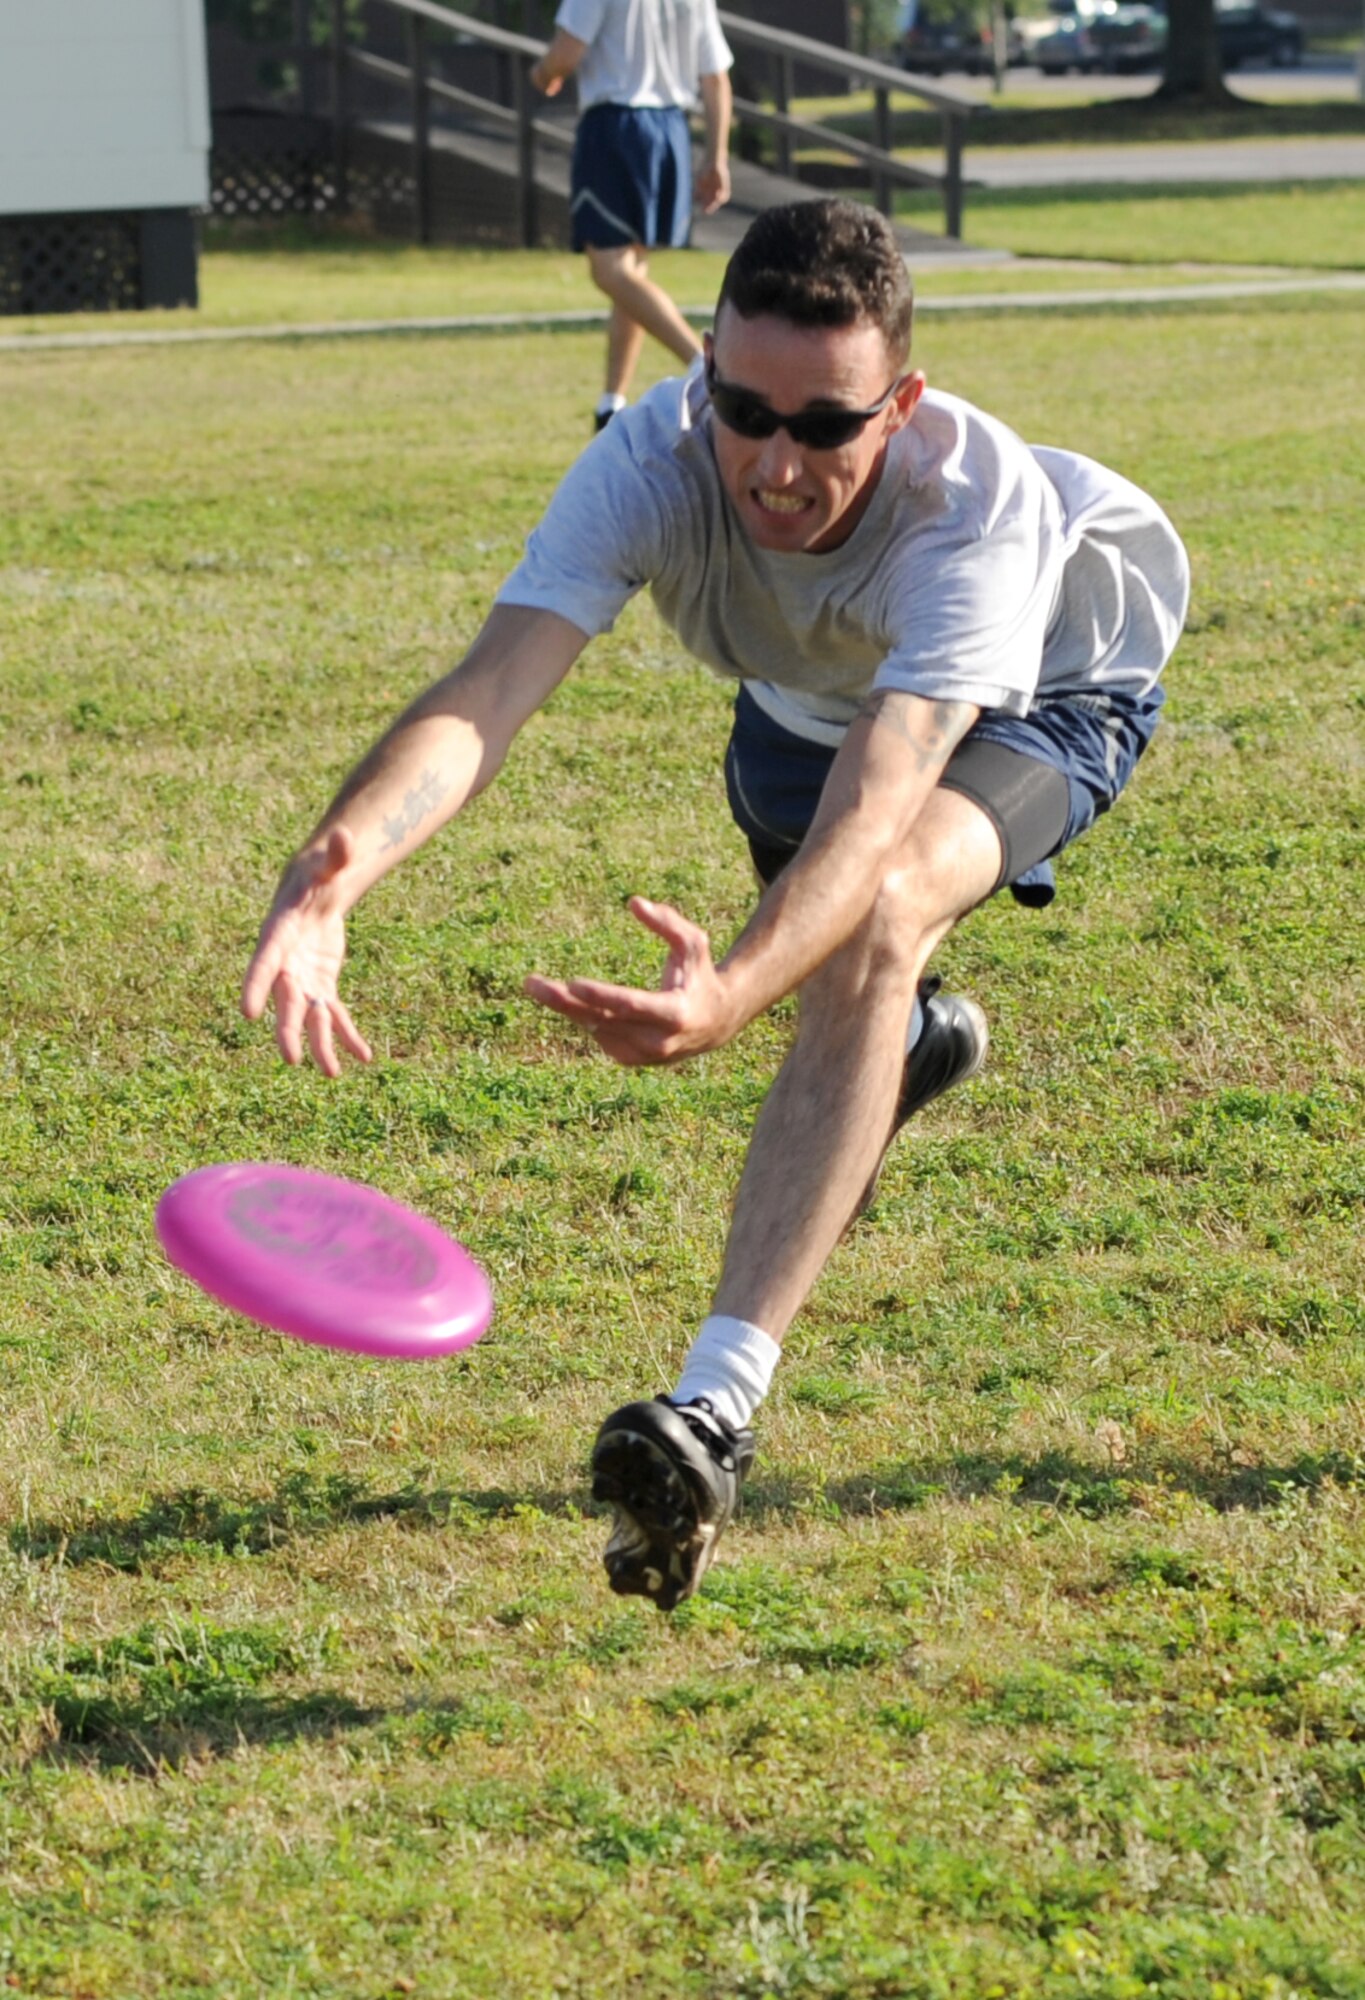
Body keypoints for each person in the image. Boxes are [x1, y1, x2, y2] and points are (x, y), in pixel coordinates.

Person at [242, 199, 1189, 1614]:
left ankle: (712, 1414)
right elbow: (491, 686)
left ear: (902, 403)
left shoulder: (974, 513)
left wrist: (727, 995)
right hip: (798, 702)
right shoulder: (654, 460)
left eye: (825, 424)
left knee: (872, 920)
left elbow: (879, 804)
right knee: (852, 991)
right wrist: (337, 867)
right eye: (744, 408)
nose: (775, 458)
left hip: (1046, 683)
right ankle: (909, 1046)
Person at [528, 0, 733, 431]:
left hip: (614, 127)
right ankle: (611, 403)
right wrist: (716, 155)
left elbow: (566, 53)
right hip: (670, 132)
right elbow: (715, 77)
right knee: (633, 271)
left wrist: (543, 74)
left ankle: (707, 365)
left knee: (610, 270)